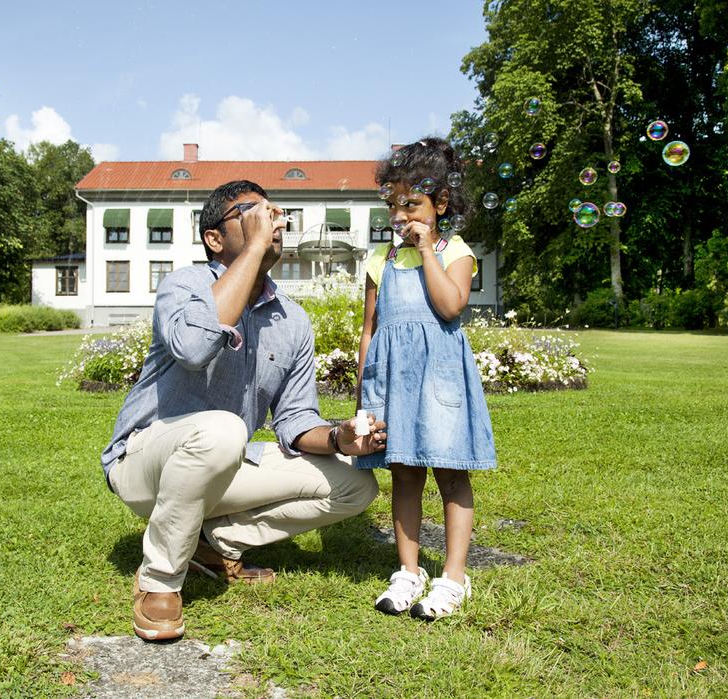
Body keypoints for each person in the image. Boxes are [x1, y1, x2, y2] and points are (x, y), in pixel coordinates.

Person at [102, 180, 385, 641]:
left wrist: (339, 439)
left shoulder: (292, 319)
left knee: (354, 485)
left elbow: (295, 420)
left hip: (223, 457)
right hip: (143, 463)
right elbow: (194, 347)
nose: (270, 222)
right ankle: (159, 581)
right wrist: (253, 251)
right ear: (215, 238)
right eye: (251, 214)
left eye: (272, 214)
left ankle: (215, 544)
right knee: (224, 430)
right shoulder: (185, 285)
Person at [356, 138, 497, 621]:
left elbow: (451, 304)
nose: (401, 213)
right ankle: (408, 570)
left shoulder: (454, 251)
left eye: (412, 203)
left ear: (439, 205)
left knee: (451, 473)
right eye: (394, 204)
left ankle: (454, 577)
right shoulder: (381, 261)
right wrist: (363, 394)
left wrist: (426, 252)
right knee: (404, 470)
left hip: (439, 379)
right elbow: (369, 329)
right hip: (393, 379)